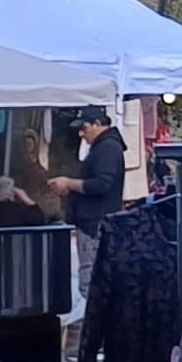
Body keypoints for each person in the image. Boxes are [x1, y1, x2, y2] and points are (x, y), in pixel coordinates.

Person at [70, 109, 126, 297]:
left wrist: (69, 184)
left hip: (94, 223)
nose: (81, 134)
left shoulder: (108, 147)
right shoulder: (106, 146)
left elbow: (103, 184)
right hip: (95, 222)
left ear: (97, 124)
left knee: (91, 281)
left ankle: (92, 323)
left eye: (84, 128)